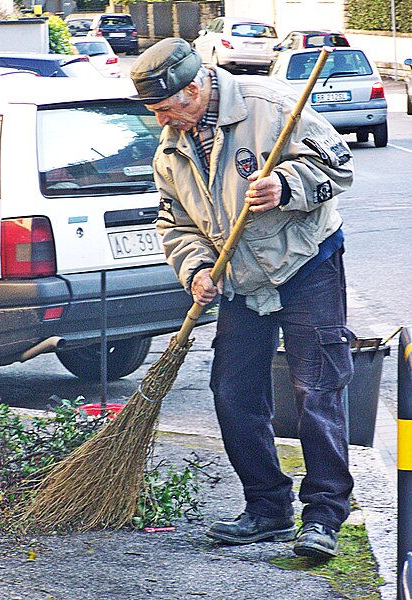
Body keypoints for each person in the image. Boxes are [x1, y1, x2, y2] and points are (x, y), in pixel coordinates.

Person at [130, 38, 355, 560]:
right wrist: (196, 269)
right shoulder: (170, 151)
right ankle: (267, 507)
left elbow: (340, 169)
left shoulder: (271, 106)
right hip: (238, 277)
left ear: (194, 89)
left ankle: (323, 517)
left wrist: (287, 184)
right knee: (233, 393)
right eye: (155, 112)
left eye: (167, 108)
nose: (163, 121)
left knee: (316, 390)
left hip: (306, 262)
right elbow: (176, 223)